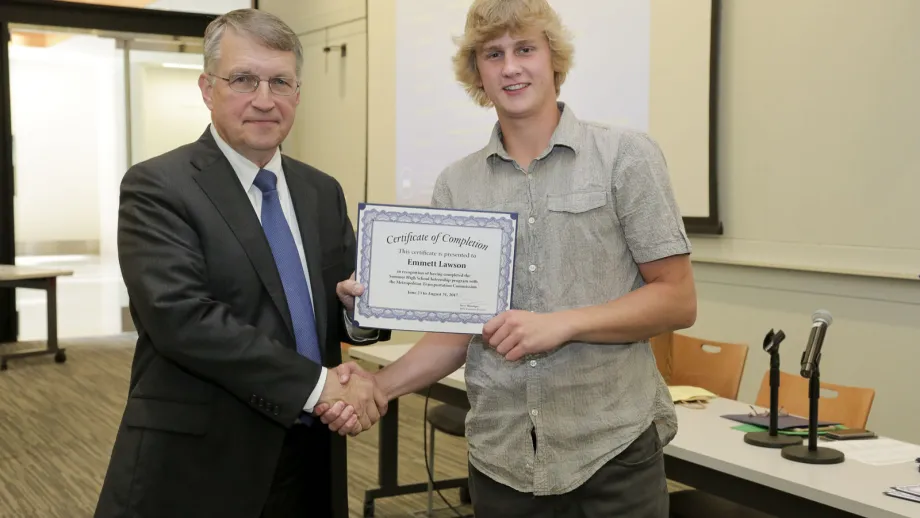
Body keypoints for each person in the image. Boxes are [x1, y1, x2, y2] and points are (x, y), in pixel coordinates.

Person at [317, 0, 697, 516]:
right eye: (493, 54)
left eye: (525, 49)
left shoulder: (626, 157)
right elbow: (456, 332)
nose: (511, 66)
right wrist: (377, 381)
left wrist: (561, 324)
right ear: (478, 72)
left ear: (553, 59)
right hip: (501, 460)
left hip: (611, 454)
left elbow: (677, 301)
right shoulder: (457, 183)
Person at [94, 9, 389, 518]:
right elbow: (182, 320)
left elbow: (340, 305)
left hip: (309, 454)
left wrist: (360, 314)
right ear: (207, 89)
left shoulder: (321, 191)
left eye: (280, 81)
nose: (264, 99)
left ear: (297, 93)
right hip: (203, 458)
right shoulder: (157, 187)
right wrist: (320, 386)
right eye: (243, 79)